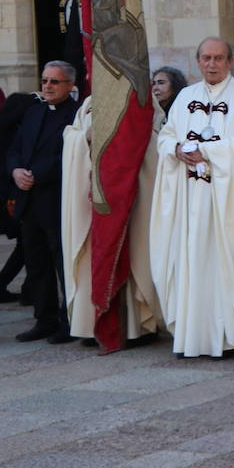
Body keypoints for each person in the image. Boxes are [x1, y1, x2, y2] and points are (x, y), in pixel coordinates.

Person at [150, 37, 234, 358]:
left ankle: (223, 337)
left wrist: (207, 152)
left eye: (218, 58)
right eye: (206, 58)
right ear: (198, 62)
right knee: (189, 262)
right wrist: (177, 150)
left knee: (223, 262)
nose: (211, 64)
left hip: (225, 195)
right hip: (188, 196)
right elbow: (167, 135)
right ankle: (190, 336)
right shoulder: (185, 96)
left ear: (230, 62)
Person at [62, 95, 161, 347]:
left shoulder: (141, 96)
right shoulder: (90, 101)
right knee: (92, 253)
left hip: (131, 190)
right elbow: (71, 135)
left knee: (133, 250)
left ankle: (135, 325)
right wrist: (85, 139)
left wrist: (126, 139)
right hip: (93, 191)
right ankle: (92, 322)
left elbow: (158, 137)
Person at [8, 61, 81, 344]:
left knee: (63, 263)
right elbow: (14, 148)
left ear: (70, 85)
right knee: (36, 262)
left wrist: (35, 174)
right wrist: (15, 171)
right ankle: (44, 318)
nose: (48, 86)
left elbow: (69, 154)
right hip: (29, 199)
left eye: (55, 82)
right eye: (45, 81)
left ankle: (69, 320)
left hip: (57, 199)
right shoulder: (33, 112)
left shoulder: (76, 116)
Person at [0, 89, 42, 305]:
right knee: (27, 244)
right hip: (11, 195)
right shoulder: (9, 130)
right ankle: (7, 287)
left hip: (5, 194)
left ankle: (23, 288)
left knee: (27, 245)